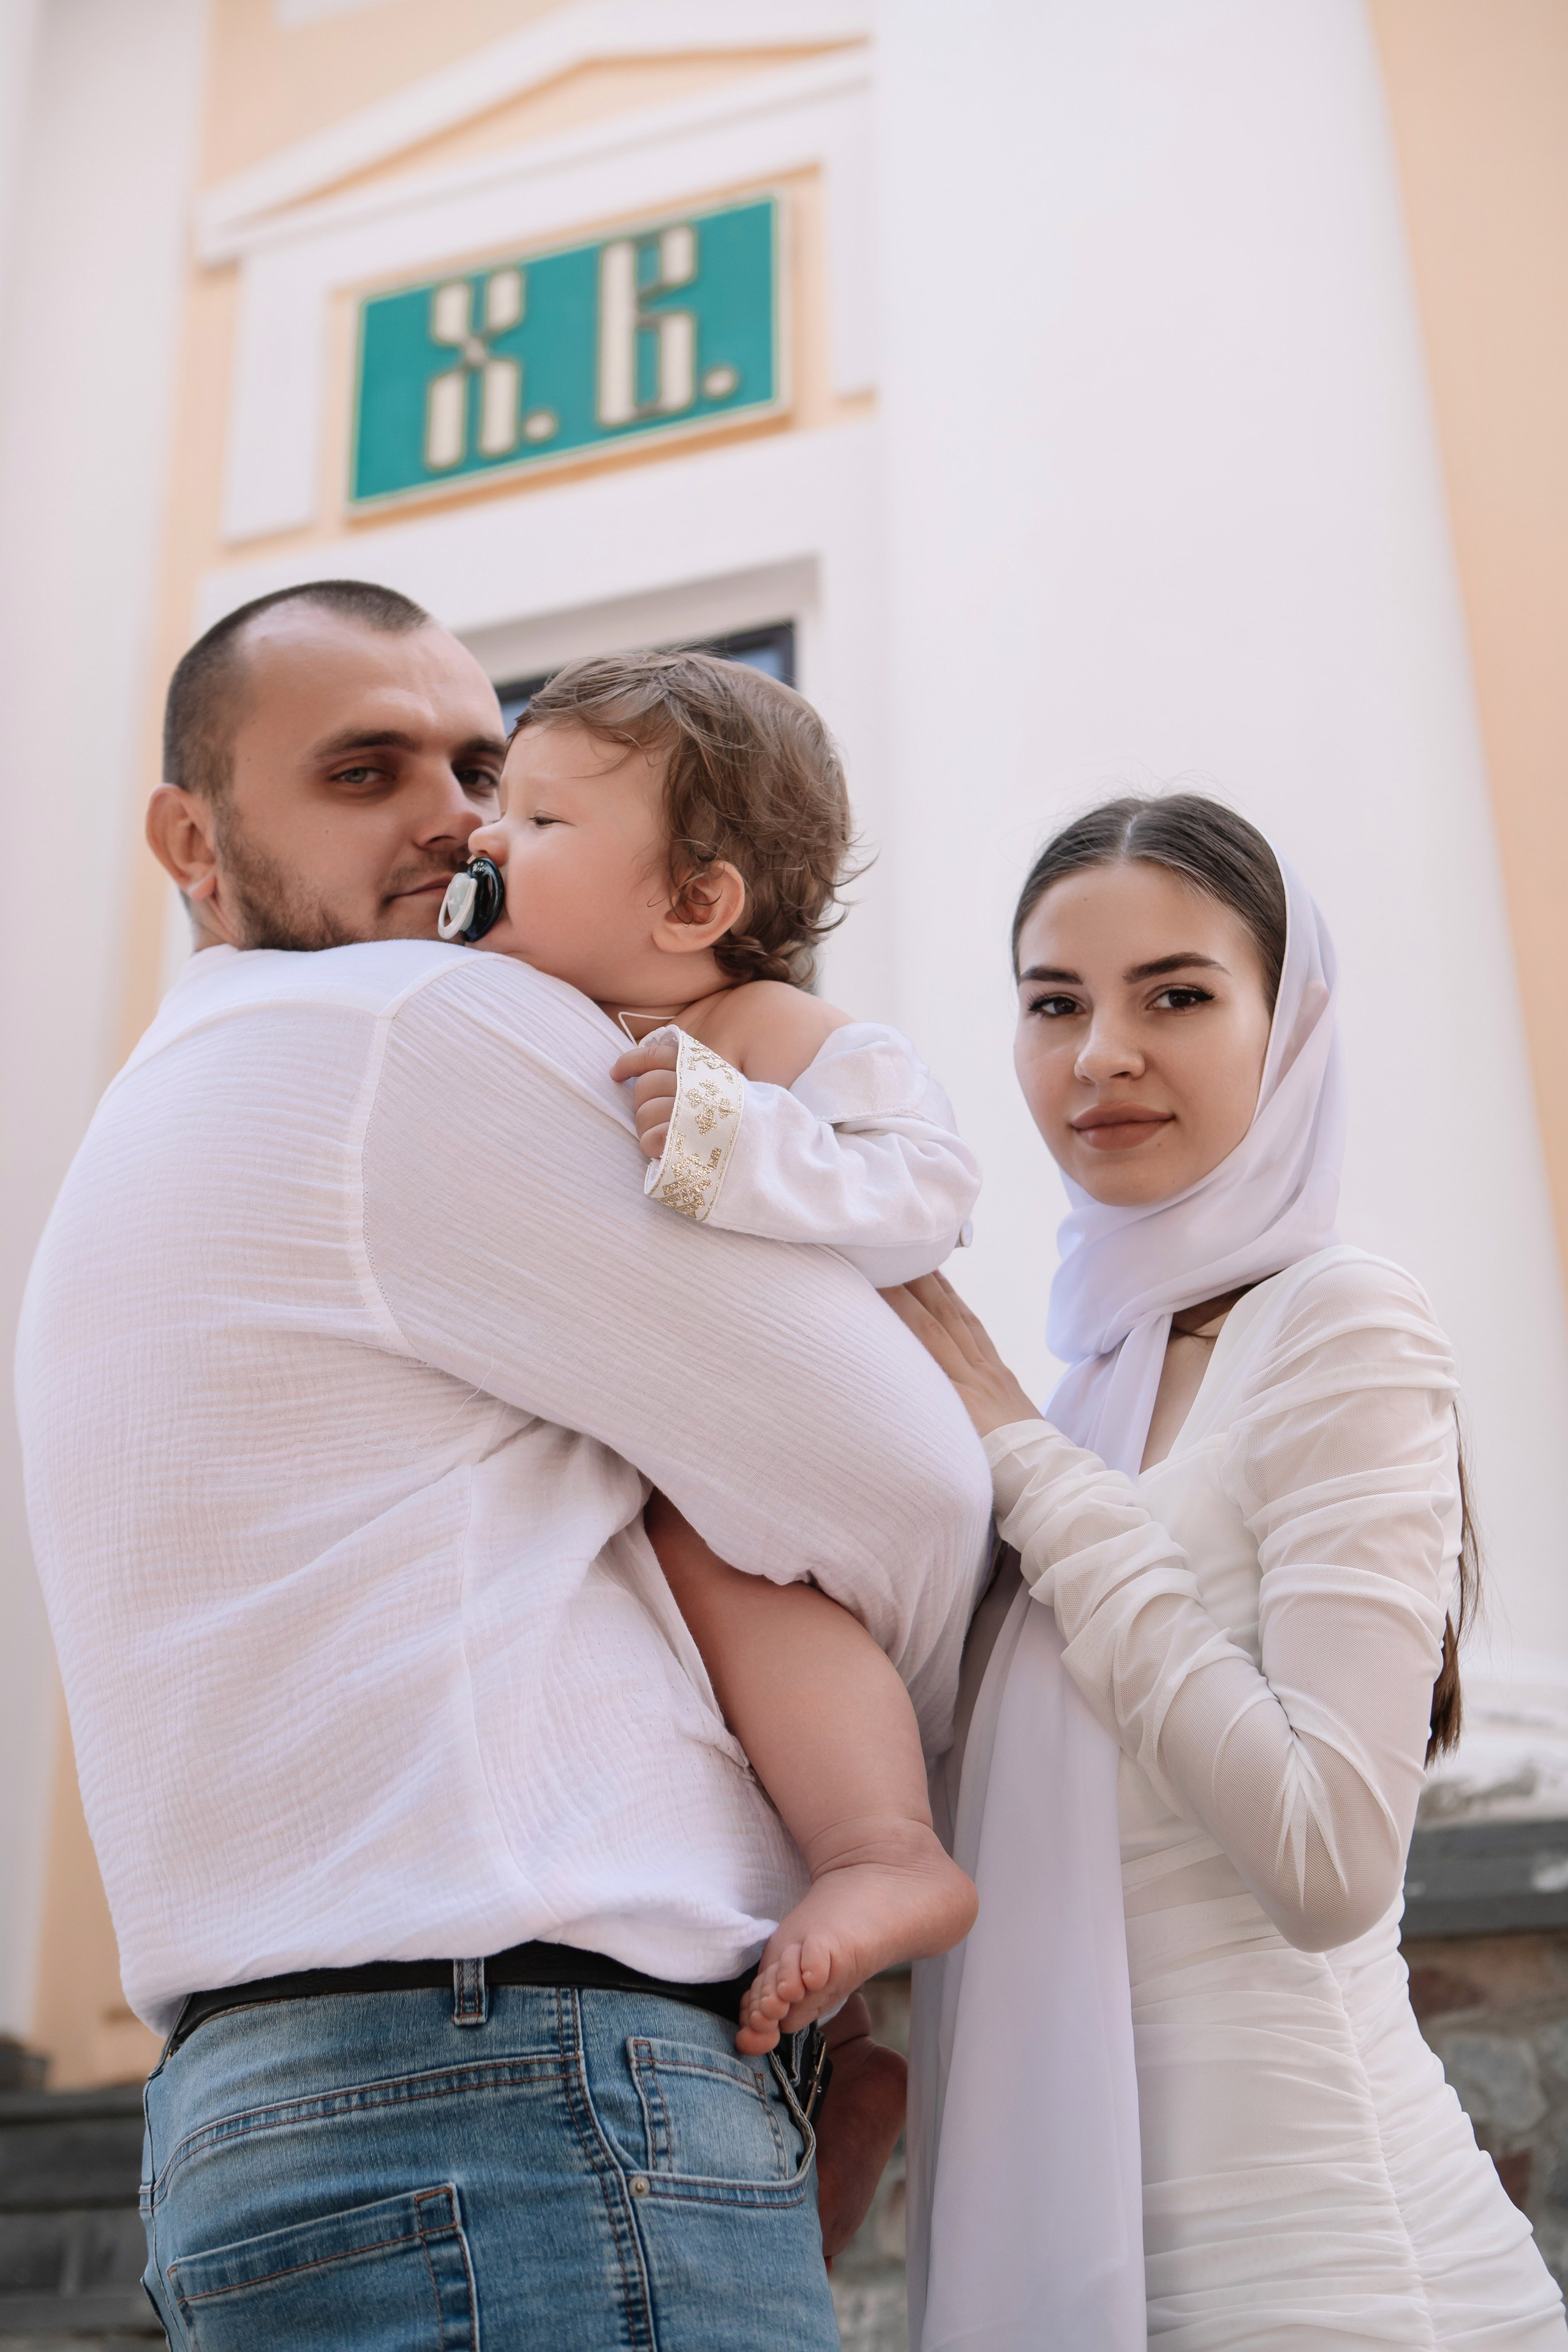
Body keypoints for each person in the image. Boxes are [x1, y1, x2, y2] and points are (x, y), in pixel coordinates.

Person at [14, 579, 993, 2350]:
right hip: (517, 2095)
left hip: (260, 2111)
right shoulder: (404, 1023)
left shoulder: (157, 1107)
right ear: (194, 842)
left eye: (484, 768)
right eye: (363, 771)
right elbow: (908, 1480)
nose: (457, 823)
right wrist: (876, 1796)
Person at [890, 795, 1567, 2350]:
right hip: (1107, 2270)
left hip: (1337, 2280)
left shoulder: (1333, 1323)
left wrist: (1024, 1467)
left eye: (1175, 996)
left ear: (1290, 1025)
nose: (1100, 1054)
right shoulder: (1082, 1394)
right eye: (1052, 1003)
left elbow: (1327, 1859)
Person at [458, 649, 981, 2055]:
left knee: (723, 1578)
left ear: (694, 905)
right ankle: (837, 2061)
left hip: (791, 1506)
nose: (484, 840)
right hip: (656, 1473)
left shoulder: (770, 1032)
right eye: (497, 807)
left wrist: (744, 1142)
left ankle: (886, 1849)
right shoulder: (531, 1027)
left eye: (540, 821)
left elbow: (927, 1195)